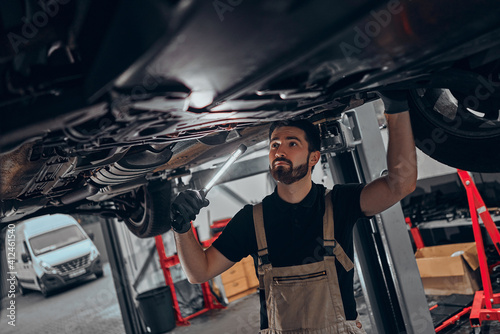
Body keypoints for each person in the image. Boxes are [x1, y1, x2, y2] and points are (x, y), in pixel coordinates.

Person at [170, 91, 417, 333]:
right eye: (274, 144)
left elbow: (400, 184)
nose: (280, 151)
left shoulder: (339, 203)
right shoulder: (251, 220)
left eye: (292, 143)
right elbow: (199, 272)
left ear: (313, 158)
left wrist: (396, 107)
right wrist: (181, 228)